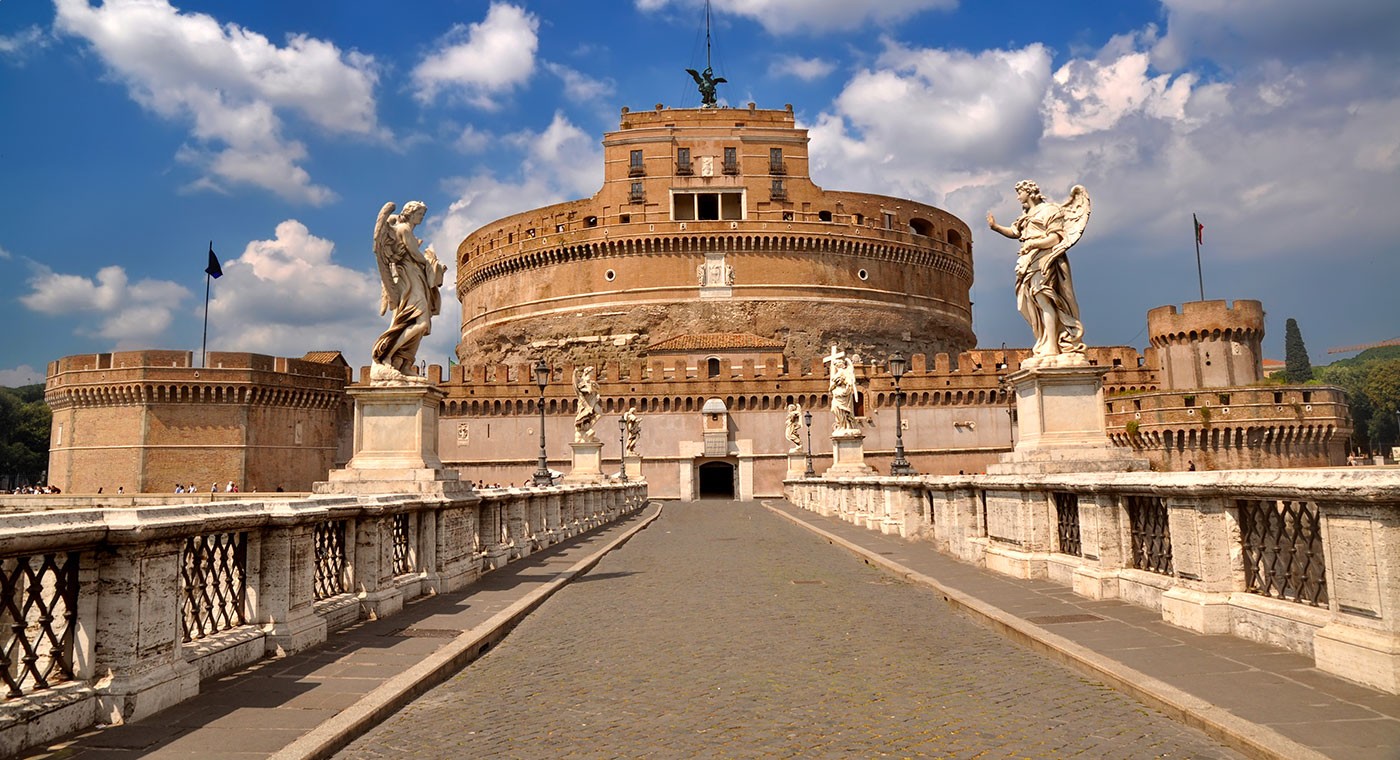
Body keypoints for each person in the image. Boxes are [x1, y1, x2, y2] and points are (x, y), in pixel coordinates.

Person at [987, 180, 1091, 367]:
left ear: (1029, 192)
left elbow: (1055, 238)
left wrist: (1034, 244)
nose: (1018, 197)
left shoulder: (1050, 210)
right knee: (1030, 303)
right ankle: (1045, 342)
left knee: (1045, 300)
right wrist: (996, 227)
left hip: (1045, 259)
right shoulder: (1027, 214)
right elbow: (1015, 232)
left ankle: (1051, 345)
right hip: (1028, 260)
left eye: (1019, 193)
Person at [371, 200, 447, 383]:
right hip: (409, 278)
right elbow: (415, 255)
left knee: (420, 324)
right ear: (411, 213)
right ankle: (385, 355)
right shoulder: (403, 229)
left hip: (416, 276)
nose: (422, 218)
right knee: (420, 322)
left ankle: (404, 364)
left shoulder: (408, 231)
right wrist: (433, 264)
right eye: (420, 214)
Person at [829, 356, 859, 434]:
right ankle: (841, 425)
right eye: (836, 364)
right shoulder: (837, 373)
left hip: (843, 393)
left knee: (844, 411)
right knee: (834, 408)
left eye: (838, 363)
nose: (836, 365)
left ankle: (846, 425)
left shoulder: (845, 371)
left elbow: (849, 382)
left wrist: (845, 384)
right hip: (837, 393)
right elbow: (834, 383)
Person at [573, 366, 601, 442]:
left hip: (592, 400)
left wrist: (596, 392)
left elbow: (598, 389)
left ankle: (587, 428)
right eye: (592, 371)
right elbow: (578, 388)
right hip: (585, 402)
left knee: (599, 413)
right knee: (584, 416)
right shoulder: (583, 381)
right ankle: (584, 430)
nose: (593, 372)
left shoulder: (591, 381)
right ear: (588, 372)